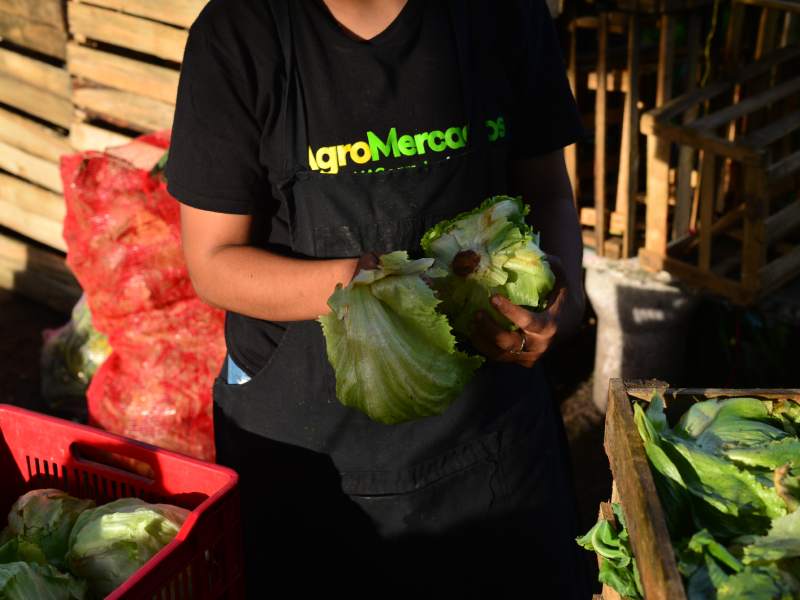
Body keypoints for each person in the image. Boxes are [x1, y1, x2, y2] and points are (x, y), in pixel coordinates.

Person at [166, 0, 590, 597]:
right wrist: (367, 283)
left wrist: (563, 304)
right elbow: (213, 263)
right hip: (311, 458)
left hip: (492, 447)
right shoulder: (241, 31)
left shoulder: (505, 14)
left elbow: (546, 191)